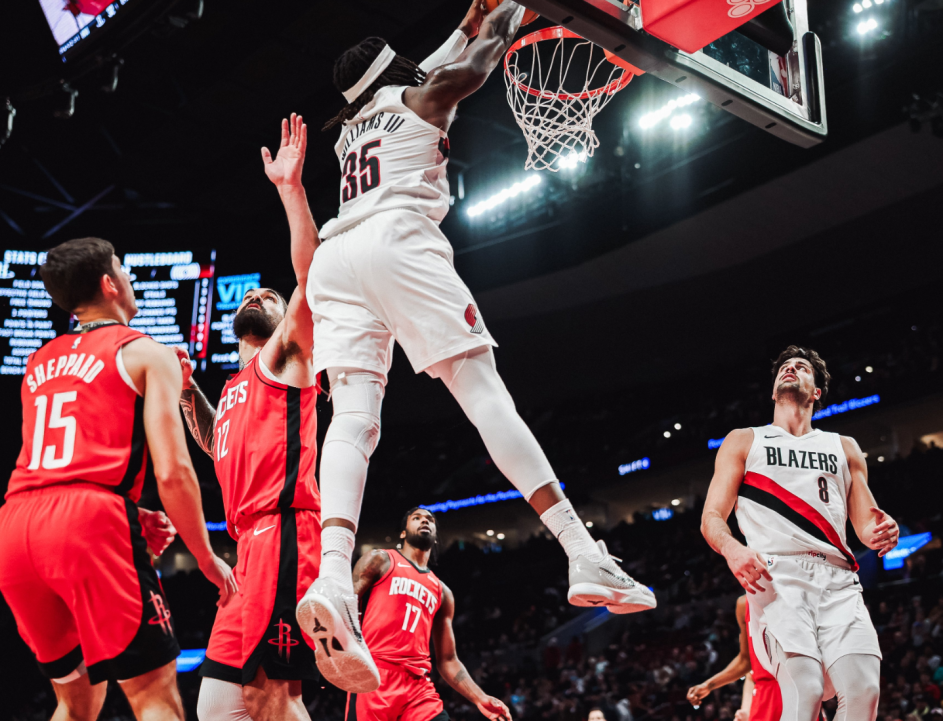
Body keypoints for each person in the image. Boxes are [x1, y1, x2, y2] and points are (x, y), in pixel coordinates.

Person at [296, 0, 655, 693]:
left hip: (336, 261)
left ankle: (333, 575)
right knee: (483, 392)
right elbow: (475, 61)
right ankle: (582, 551)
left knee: (353, 421)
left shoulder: (351, 133)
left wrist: (466, 20)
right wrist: (510, 11)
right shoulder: (420, 98)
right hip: (396, 239)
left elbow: (433, 61)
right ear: (395, 75)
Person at [0, 237, 237, 721]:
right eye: (123, 269)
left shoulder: (38, 362)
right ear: (109, 283)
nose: (128, 277)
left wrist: (131, 514)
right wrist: (207, 558)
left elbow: (58, 464)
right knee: (154, 696)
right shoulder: (146, 351)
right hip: (86, 525)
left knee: (76, 702)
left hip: (13, 531)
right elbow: (173, 471)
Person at [176, 115, 323, 721]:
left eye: (270, 296)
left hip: (284, 535)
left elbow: (310, 277)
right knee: (227, 706)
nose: (256, 295)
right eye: (248, 295)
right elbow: (217, 443)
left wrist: (291, 189)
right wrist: (188, 391)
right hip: (249, 550)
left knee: (265, 699)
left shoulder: (287, 357)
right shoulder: (236, 387)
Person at [701, 346, 899, 721]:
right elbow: (711, 516)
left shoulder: (844, 446)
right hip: (777, 577)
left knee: (865, 692)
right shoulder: (744, 440)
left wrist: (883, 530)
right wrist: (733, 549)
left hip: (839, 579)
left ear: (817, 391)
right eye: (785, 367)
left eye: (802, 367)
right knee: (805, 690)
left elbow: (866, 525)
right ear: (773, 391)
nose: (790, 369)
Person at [348, 507, 512, 721]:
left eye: (430, 519)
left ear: (435, 537)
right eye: (416, 518)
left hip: (418, 688)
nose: (424, 521)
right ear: (403, 533)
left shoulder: (442, 592)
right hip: (374, 676)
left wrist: (480, 698)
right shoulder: (380, 559)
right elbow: (344, 607)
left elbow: (448, 660)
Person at [687, 596, 783, 721]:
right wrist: (708, 685)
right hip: (763, 696)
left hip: (792, 689)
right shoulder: (743, 604)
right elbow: (746, 660)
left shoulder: (792, 594)